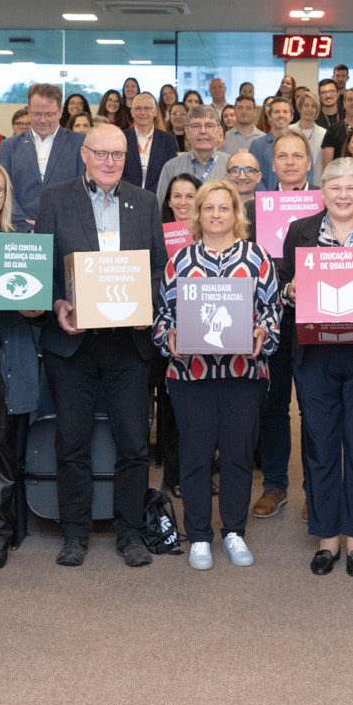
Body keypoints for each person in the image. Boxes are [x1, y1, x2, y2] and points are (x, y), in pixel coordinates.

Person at [35, 123, 169, 567]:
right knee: (71, 443)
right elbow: (45, 266)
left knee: (133, 444)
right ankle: (75, 533)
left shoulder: (145, 202)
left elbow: (158, 269)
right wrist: (58, 304)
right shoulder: (56, 197)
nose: (111, 162)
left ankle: (129, 533)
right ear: (85, 155)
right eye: (102, 154)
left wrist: (140, 302)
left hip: (127, 345)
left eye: (118, 154)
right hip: (72, 344)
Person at [155, 179, 280, 569]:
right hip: (191, 375)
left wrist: (263, 331)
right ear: (198, 214)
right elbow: (162, 316)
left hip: (243, 373)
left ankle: (233, 532)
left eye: (224, 208)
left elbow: (273, 312)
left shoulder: (257, 258)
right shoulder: (180, 260)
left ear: (236, 214)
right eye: (208, 207)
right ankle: (199, 537)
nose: (216, 214)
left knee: (239, 455)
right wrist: (170, 335)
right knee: (195, 455)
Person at [284, 157, 353, 576]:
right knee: (321, 444)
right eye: (335, 189)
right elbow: (284, 282)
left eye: (351, 189)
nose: (343, 196)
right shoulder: (301, 232)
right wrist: (291, 288)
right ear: (322, 192)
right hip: (316, 355)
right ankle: (326, 537)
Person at [251, 134, 313, 523]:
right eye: (282, 157)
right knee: (273, 406)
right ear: (272, 164)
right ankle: (275, 484)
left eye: (297, 156)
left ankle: (315, 488)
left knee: (314, 407)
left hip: (310, 319)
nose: (289, 163)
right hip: (268, 320)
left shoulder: (325, 206)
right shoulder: (254, 210)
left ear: (309, 163)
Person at [155, 173, 202, 498]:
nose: (183, 202)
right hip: (167, 324)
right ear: (168, 201)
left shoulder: (210, 234)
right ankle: (172, 475)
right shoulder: (156, 235)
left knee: (202, 409)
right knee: (171, 408)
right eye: (177, 196)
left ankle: (200, 472)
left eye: (189, 196)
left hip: (204, 325)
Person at [0, 84, 84, 232]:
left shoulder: (80, 143)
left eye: (49, 114)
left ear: (60, 111)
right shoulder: (9, 147)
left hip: (66, 230)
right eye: (37, 114)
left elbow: (83, 188)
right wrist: (24, 225)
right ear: (29, 111)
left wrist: (55, 224)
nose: (43, 120)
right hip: (19, 232)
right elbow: (3, 190)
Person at [155, 103, 228, 204]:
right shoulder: (171, 167)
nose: (202, 131)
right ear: (187, 131)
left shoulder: (231, 166)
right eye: (196, 126)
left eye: (209, 126)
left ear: (219, 131)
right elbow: (161, 210)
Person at [122, 91, 179, 192]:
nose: (143, 112)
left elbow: (171, 171)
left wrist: (151, 194)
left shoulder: (168, 140)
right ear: (132, 112)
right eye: (138, 108)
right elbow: (116, 168)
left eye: (147, 108)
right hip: (127, 194)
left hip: (158, 196)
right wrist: (134, 192)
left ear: (155, 112)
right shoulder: (121, 137)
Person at [252, 95, 297, 184]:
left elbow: (307, 174)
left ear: (291, 116)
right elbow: (253, 176)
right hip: (265, 197)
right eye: (276, 112)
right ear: (269, 116)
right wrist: (269, 197)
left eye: (285, 111)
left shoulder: (301, 145)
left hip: (295, 197)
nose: (281, 115)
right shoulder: (257, 145)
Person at [295, 89, 328, 167]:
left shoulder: (324, 133)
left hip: (317, 177)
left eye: (313, 106)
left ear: (317, 110)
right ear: (300, 108)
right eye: (306, 105)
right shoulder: (289, 131)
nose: (309, 109)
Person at [225, 150, 263, 216]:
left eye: (249, 170)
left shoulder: (266, 212)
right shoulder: (219, 212)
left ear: (258, 177)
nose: (242, 177)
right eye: (235, 170)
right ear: (227, 177)